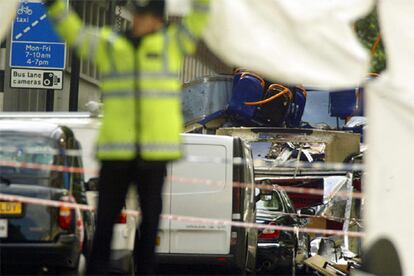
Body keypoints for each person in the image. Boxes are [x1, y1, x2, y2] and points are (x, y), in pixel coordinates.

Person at [44, 0, 210, 274]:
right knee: (106, 222)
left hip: (154, 153)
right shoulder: (111, 45)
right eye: (139, 15)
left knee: (150, 226)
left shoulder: (171, 44)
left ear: (159, 20)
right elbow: (75, 33)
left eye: (146, 16)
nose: (141, 21)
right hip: (117, 151)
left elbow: (200, 17)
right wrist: (54, 5)